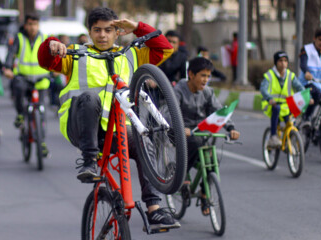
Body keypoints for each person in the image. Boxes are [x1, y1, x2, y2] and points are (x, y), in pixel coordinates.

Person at [37, 7, 180, 230]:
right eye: (97, 30)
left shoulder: (132, 54)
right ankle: (89, 163)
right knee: (90, 96)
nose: (102, 35)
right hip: (82, 129)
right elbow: (46, 60)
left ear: (117, 32)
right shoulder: (75, 53)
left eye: (108, 30)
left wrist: (137, 28)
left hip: (119, 129)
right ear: (90, 32)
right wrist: (52, 45)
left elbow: (165, 48)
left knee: (145, 143)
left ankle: (154, 209)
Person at [174, 57, 240, 215]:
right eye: (202, 75)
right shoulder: (178, 90)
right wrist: (181, 128)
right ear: (191, 74)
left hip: (200, 132)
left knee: (213, 160)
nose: (206, 80)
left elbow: (219, 112)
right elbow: (171, 113)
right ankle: (181, 177)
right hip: (180, 132)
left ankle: (204, 195)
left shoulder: (208, 92)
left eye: (208, 76)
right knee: (194, 143)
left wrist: (231, 128)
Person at [4, 12, 50, 157]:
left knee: (41, 112)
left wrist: (56, 69)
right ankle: (20, 116)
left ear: (38, 25)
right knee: (18, 91)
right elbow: (11, 54)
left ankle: (41, 142)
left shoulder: (44, 38)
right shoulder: (19, 38)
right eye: (30, 24)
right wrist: (8, 68)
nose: (32, 27)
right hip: (23, 78)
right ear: (25, 25)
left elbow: (52, 55)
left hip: (41, 79)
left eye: (35, 24)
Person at [261, 51, 305, 147]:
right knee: (276, 110)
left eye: (285, 61)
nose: (283, 63)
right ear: (276, 62)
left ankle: (290, 144)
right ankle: (273, 136)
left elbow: (300, 87)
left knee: (291, 123)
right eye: (280, 61)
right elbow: (263, 89)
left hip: (287, 106)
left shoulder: (290, 75)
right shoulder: (269, 75)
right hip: (272, 104)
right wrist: (269, 99)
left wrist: (307, 96)